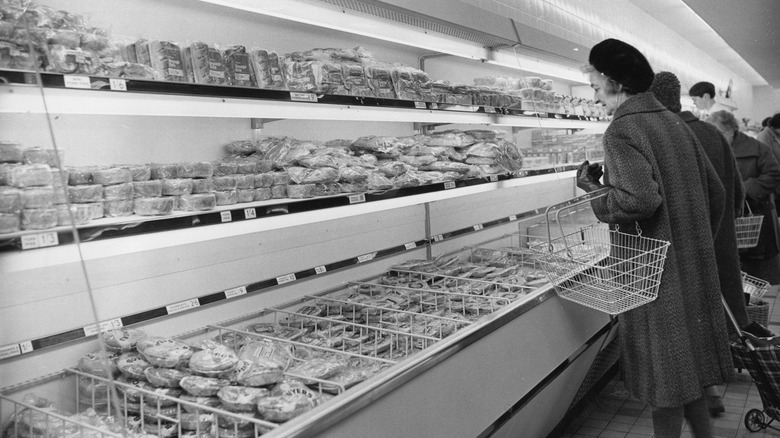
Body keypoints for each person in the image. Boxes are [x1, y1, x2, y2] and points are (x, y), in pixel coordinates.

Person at [578, 38, 732, 438]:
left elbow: (639, 200)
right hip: (692, 269)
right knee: (690, 371)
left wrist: (594, 191)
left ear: (614, 82)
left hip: (653, 275)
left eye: (595, 88)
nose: (595, 97)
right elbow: (717, 193)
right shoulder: (673, 123)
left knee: (667, 380)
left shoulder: (623, 130)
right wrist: (695, 243)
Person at [650, 71, 773, 417]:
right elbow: (734, 194)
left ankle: (705, 395)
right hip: (719, 246)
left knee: (685, 327)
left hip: (679, 252)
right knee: (713, 319)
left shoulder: (662, 137)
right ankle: (710, 393)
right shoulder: (712, 134)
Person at [708, 110, 780, 285]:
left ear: (732, 130)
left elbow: (774, 173)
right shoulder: (711, 150)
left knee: (759, 269)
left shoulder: (757, 148)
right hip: (728, 219)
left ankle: (759, 306)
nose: (717, 138)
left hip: (756, 217)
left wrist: (745, 190)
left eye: (721, 133)